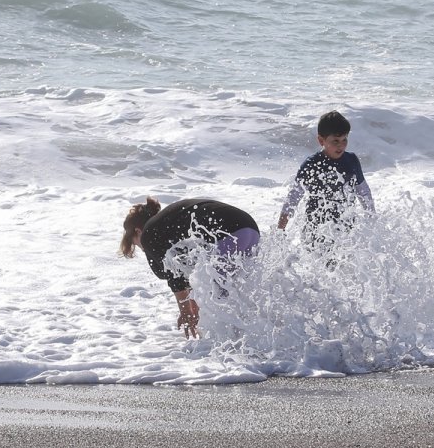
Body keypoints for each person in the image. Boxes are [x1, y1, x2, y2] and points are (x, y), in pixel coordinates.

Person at [120, 197, 260, 338]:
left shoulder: (150, 234)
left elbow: (174, 276)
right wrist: (194, 309)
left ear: (138, 232)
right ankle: (258, 332)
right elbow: (191, 274)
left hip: (229, 233)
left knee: (219, 298)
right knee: (236, 291)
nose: (144, 250)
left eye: (136, 244)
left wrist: (186, 312)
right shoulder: (168, 224)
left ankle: (235, 344)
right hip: (249, 229)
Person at [277, 110, 375, 233]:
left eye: (344, 140)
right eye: (335, 141)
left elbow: (363, 191)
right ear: (321, 140)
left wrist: (372, 220)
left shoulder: (351, 160)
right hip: (316, 230)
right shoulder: (311, 165)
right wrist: (280, 229)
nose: (341, 145)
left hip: (346, 229)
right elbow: (293, 198)